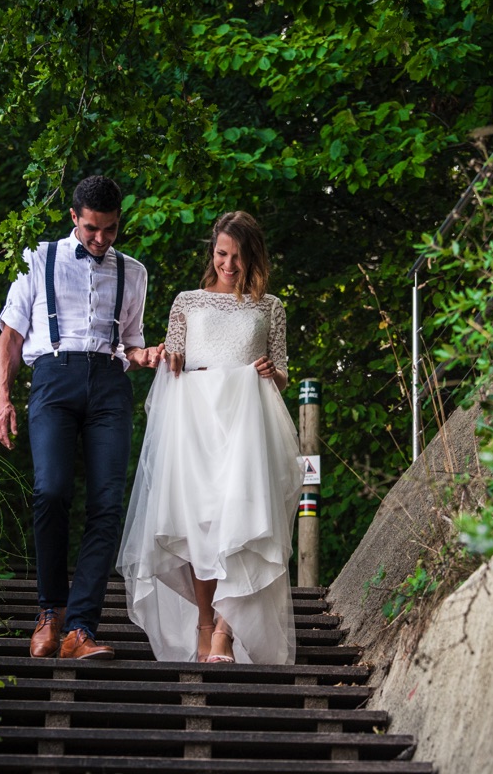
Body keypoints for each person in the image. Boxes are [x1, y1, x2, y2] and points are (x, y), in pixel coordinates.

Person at [117, 211, 303, 665]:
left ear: (253, 257)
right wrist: (169, 358)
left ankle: (224, 632)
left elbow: (281, 375)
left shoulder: (270, 307)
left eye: (238, 256)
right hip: (195, 422)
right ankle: (204, 625)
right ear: (213, 252)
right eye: (222, 254)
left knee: (237, 523)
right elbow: (174, 356)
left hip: (246, 425)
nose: (229, 265)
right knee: (198, 524)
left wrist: (271, 372)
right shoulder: (186, 302)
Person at [0, 175, 163, 660]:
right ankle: (50, 611)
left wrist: (145, 355)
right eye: (91, 228)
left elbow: (129, 344)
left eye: (110, 229)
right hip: (54, 378)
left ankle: (80, 628)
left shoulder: (134, 272)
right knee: (50, 490)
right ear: (74, 217)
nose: (100, 238)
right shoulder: (38, 258)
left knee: (107, 505)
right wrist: (3, 399)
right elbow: (11, 336)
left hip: (109, 384)